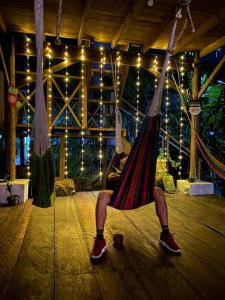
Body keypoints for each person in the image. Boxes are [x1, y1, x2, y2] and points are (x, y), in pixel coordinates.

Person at [91, 152, 181, 260]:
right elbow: (111, 177)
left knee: (158, 191)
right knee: (102, 195)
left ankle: (165, 234)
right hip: (117, 197)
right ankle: (100, 239)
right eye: (126, 158)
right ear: (120, 160)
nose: (128, 160)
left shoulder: (136, 171)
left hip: (136, 197)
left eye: (130, 159)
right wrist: (124, 177)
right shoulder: (113, 170)